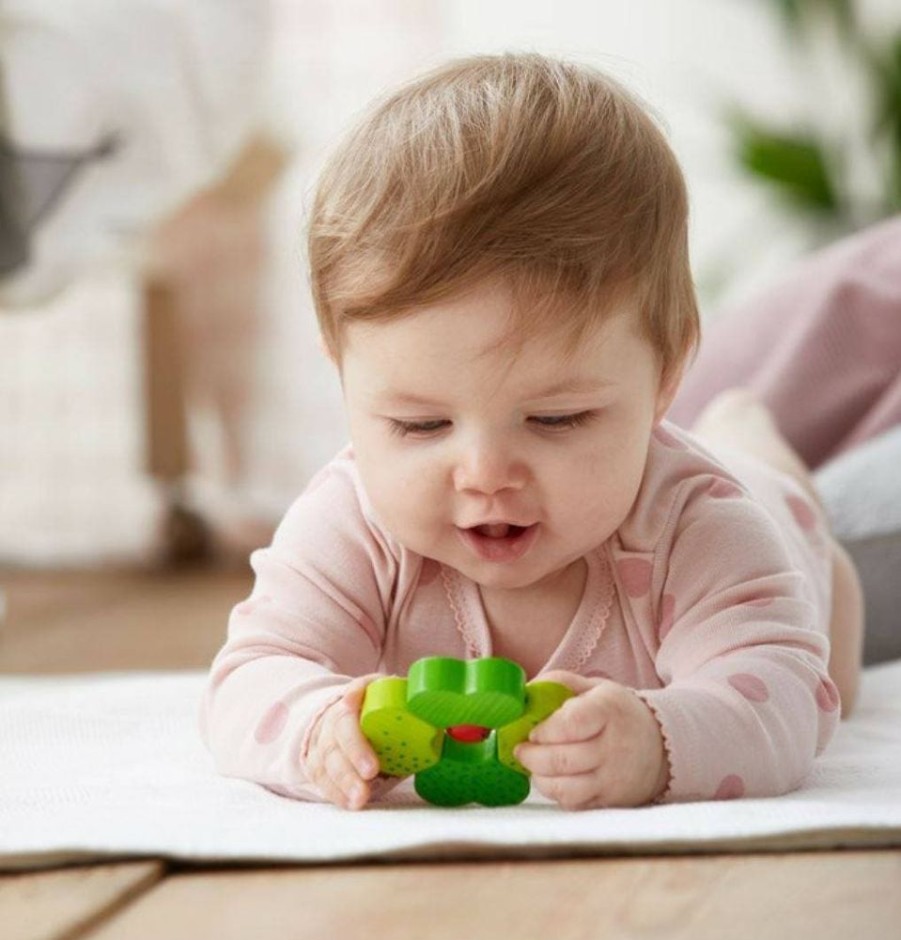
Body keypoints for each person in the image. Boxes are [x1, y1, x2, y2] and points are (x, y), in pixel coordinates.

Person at [200, 53, 863, 811]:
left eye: (556, 418)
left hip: (784, 529)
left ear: (666, 373)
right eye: (420, 424)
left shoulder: (701, 529)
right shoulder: (352, 525)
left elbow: (783, 701)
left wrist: (660, 736)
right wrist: (316, 726)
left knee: (833, 673)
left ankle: (750, 438)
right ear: (345, 378)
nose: (484, 473)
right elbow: (249, 676)